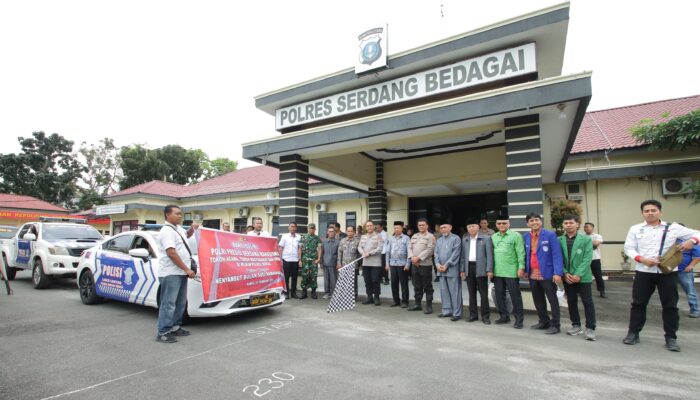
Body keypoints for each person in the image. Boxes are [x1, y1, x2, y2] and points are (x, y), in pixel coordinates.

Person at [623, 199, 700, 352]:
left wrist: (692, 241)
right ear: (642, 213)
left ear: (660, 212)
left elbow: (698, 233)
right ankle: (633, 333)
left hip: (668, 272)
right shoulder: (636, 229)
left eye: (653, 210)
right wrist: (642, 259)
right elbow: (629, 248)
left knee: (670, 305)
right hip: (644, 272)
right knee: (638, 304)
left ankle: (671, 338)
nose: (650, 213)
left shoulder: (673, 228)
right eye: (646, 211)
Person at [156, 205, 198, 343]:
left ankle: (175, 327)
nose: (180, 216)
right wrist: (187, 269)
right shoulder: (166, 231)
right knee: (168, 304)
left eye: (181, 214)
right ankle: (163, 332)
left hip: (180, 273)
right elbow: (171, 253)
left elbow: (186, 236)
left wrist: (192, 229)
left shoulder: (178, 229)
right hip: (171, 273)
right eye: (177, 214)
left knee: (180, 303)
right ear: (167, 215)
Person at [523, 213, 564, 335]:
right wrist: (526, 269)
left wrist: (557, 273)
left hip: (547, 273)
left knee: (552, 299)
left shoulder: (550, 235)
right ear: (528, 224)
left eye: (536, 220)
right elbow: (526, 254)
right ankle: (543, 321)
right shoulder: (526, 236)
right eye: (531, 221)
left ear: (541, 221)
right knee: (538, 299)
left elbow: (557, 255)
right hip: (532, 274)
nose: (534, 222)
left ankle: (556, 325)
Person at [559, 215, 596, 341]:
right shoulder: (559, 240)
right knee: (571, 301)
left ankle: (590, 328)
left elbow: (587, 258)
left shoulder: (585, 240)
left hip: (583, 277)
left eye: (571, 223)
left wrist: (578, 274)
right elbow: (558, 259)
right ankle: (576, 325)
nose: (568, 225)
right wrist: (564, 273)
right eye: (565, 223)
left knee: (587, 302)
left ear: (577, 224)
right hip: (567, 277)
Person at [491, 215, 526, 329]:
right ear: (496, 225)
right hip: (497, 271)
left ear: (509, 224)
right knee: (499, 295)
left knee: (515, 296)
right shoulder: (493, 237)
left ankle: (519, 319)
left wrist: (521, 267)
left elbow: (521, 253)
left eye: (504, 223)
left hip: (511, 271)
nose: (501, 225)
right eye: (499, 223)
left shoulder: (516, 236)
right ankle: (504, 316)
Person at [460, 219, 494, 324]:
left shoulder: (486, 238)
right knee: (471, 293)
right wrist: (462, 270)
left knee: (483, 294)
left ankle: (485, 316)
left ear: (478, 227)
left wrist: (489, 269)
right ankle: (473, 314)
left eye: (473, 226)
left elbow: (489, 255)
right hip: (469, 267)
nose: (471, 228)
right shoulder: (465, 240)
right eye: (469, 227)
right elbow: (462, 257)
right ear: (467, 229)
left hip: (481, 268)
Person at [435, 222, 463, 321]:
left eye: (445, 227)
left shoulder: (456, 239)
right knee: (444, 291)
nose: (443, 229)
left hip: (452, 270)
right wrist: (438, 265)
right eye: (441, 228)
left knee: (455, 292)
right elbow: (436, 254)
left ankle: (457, 313)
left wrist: (446, 264)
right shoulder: (439, 240)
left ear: (450, 227)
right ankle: (446, 311)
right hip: (441, 270)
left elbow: (456, 254)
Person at [407, 218, 436, 314]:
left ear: (427, 226)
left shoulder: (430, 236)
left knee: (427, 286)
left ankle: (429, 306)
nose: (421, 226)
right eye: (419, 225)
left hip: (425, 265)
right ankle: (417, 304)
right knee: (416, 285)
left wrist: (418, 258)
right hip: (415, 265)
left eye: (423, 225)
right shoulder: (414, 236)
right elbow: (409, 248)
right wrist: (412, 257)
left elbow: (430, 250)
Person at [358, 220, 385, 305]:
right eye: (367, 226)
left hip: (375, 263)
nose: (369, 227)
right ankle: (369, 297)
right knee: (367, 280)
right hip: (366, 263)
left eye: (370, 225)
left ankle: (376, 297)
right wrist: (362, 252)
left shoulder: (378, 236)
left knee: (375, 280)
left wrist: (369, 253)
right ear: (365, 228)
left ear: (373, 227)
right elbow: (359, 247)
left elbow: (380, 248)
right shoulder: (363, 237)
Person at [385, 221, 411, 308]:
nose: (396, 229)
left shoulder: (406, 238)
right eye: (395, 228)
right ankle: (396, 300)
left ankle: (405, 301)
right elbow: (388, 252)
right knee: (394, 283)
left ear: (402, 228)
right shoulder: (391, 238)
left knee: (404, 284)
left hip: (402, 265)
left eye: (398, 228)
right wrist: (387, 264)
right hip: (393, 264)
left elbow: (409, 252)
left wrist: (407, 264)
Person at [676, 234, 700, 318]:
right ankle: (671, 309)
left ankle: (695, 310)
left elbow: (698, 256)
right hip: (670, 271)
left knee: (690, 291)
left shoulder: (690, 242)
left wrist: (690, 266)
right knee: (670, 292)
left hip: (684, 271)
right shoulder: (671, 240)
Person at [298, 223, 322, 300]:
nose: (311, 229)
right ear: (308, 229)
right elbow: (300, 249)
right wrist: (300, 260)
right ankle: (304, 292)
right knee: (304, 276)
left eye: (313, 228)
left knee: (313, 276)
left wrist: (319, 259)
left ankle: (313, 292)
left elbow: (320, 249)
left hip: (313, 260)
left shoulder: (317, 238)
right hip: (305, 260)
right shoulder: (303, 237)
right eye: (310, 228)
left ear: (315, 229)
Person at [338, 225, 361, 299]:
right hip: (344, 265)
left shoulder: (357, 241)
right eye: (348, 231)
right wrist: (339, 263)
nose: (350, 233)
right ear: (346, 232)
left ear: (354, 232)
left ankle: (354, 296)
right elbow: (340, 253)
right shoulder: (343, 240)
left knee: (353, 282)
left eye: (351, 231)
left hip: (353, 265)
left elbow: (359, 254)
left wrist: (358, 264)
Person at [278, 222, 301, 299]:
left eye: (294, 227)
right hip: (286, 259)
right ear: (289, 228)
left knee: (295, 277)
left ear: (296, 228)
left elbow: (299, 248)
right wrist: (280, 259)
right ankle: (286, 292)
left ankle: (293, 293)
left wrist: (300, 259)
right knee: (286, 277)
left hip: (295, 260)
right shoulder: (284, 236)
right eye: (291, 226)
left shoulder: (299, 237)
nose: (292, 228)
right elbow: (280, 248)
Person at [583, 222, 606, 298]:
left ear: (592, 228)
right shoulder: (582, 236)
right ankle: (581, 291)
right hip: (584, 259)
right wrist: (591, 243)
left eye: (587, 227)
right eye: (584, 227)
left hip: (595, 258)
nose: (585, 228)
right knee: (583, 275)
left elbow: (596, 244)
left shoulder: (597, 236)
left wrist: (586, 243)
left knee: (598, 275)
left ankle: (602, 291)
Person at [321, 227, 340, 298]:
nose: (331, 233)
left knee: (333, 279)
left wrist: (338, 263)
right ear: (327, 232)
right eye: (330, 231)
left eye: (332, 231)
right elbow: (322, 253)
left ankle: (334, 293)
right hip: (325, 263)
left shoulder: (338, 242)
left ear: (335, 232)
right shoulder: (324, 241)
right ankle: (327, 293)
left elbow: (339, 254)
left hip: (334, 263)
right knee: (326, 279)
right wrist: (321, 262)